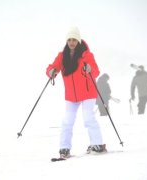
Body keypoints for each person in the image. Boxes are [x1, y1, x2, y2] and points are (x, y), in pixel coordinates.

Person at [46, 26, 107, 158]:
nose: (72, 42)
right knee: (67, 121)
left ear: (78, 41)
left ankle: (98, 144)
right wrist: (51, 71)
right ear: (66, 41)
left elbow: (96, 71)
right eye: (69, 40)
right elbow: (53, 67)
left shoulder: (86, 55)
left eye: (74, 39)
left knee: (88, 118)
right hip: (71, 95)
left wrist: (90, 68)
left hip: (87, 93)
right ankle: (64, 148)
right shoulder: (62, 56)